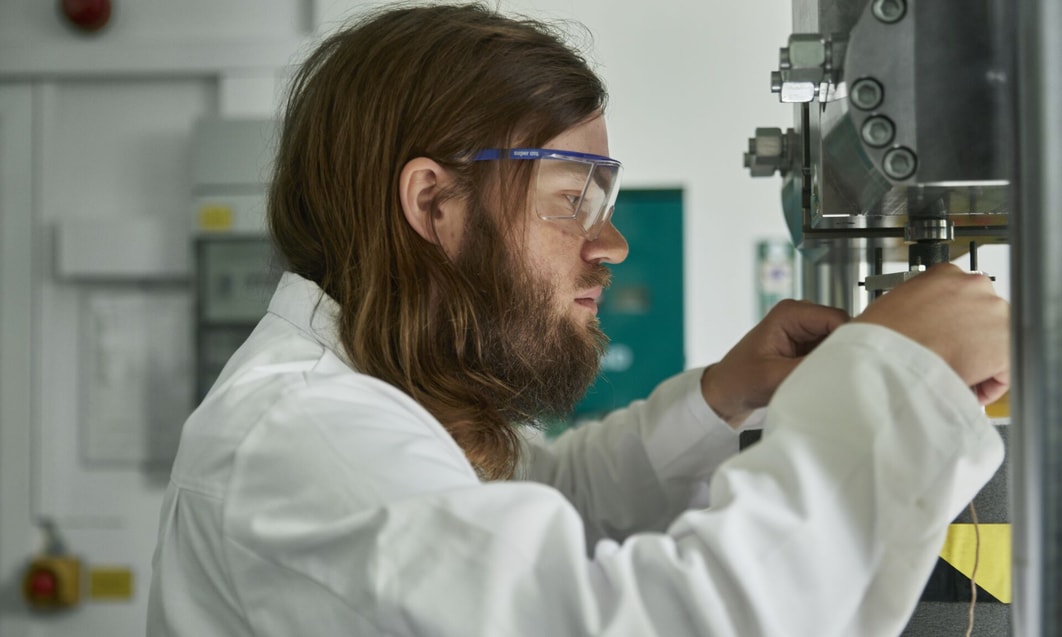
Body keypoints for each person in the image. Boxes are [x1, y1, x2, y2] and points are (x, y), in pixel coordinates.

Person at [147, 4, 1010, 636]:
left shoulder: (382, 400)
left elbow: (549, 498)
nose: (611, 244)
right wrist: (897, 385)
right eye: (571, 201)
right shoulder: (307, 438)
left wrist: (720, 397)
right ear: (431, 201)